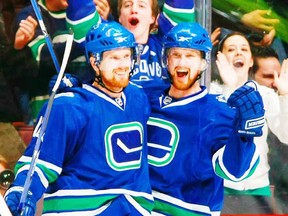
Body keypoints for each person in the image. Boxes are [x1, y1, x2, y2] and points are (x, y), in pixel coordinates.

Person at [4, 21, 153, 215]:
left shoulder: (138, 98)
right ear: (95, 62)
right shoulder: (69, 106)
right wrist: (24, 193)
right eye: (115, 58)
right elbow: (40, 162)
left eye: (127, 56)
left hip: (128, 209)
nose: (123, 65)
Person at [147, 22, 265, 215]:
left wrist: (244, 137)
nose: (182, 62)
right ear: (166, 59)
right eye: (176, 54)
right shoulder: (146, 97)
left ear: (203, 62)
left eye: (190, 56)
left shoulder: (219, 112)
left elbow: (234, 172)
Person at [210, 31, 288, 214]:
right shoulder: (211, 91)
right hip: (221, 186)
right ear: (220, 58)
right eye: (231, 49)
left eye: (244, 49)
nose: (238, 52)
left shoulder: (265, 94)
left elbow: (286, 134)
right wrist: (231, 87)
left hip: (258, 189)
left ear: (251, 61)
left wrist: (285, 95)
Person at [65, 0, 195, 98]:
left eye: (142, 5)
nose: (134, 9)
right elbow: (81, 17)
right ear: (120, 17)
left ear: (153, 18)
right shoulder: (104, 43)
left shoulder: (165, 45)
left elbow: (181, 11)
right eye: (127, 5)